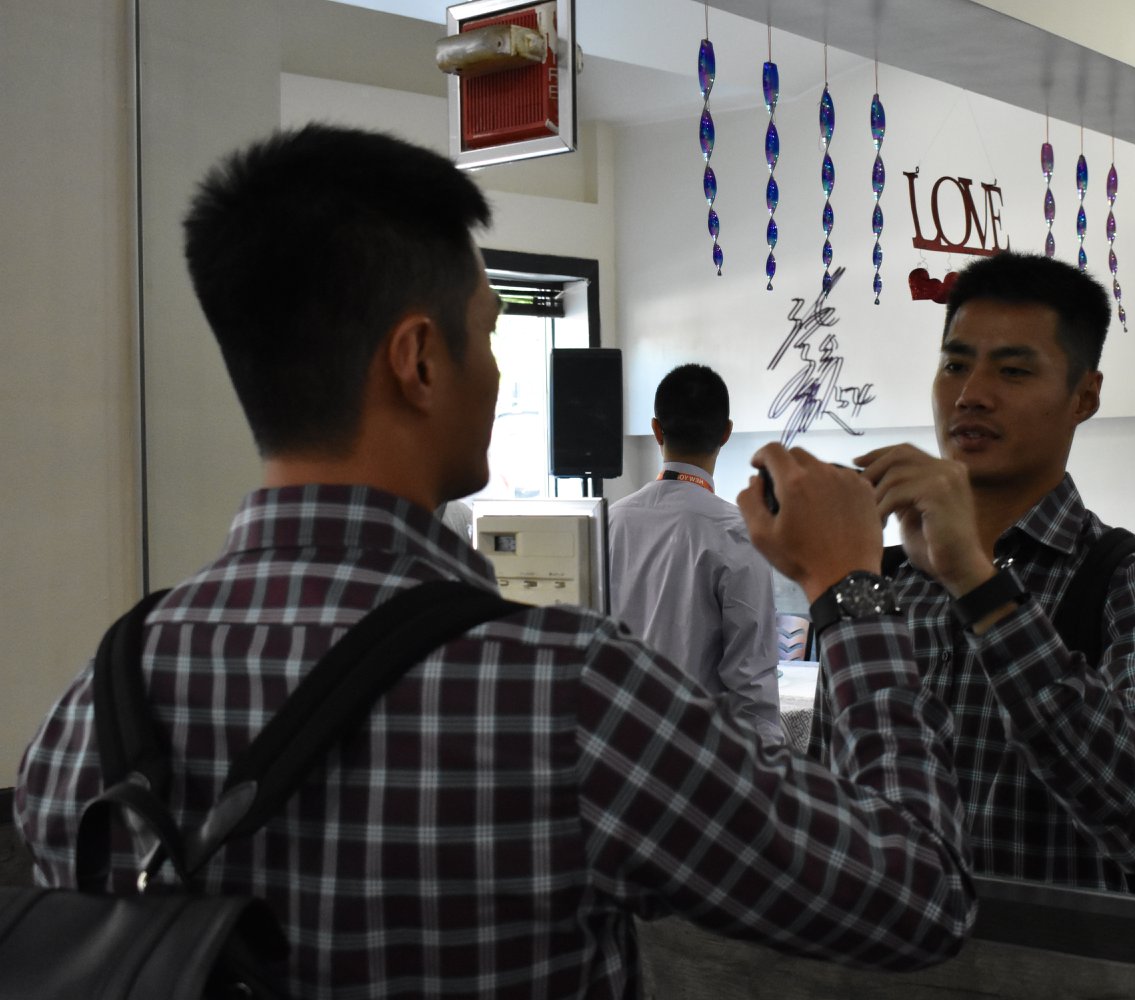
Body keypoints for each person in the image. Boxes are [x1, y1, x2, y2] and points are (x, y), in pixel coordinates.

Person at [14, 125, 976, 998]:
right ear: (419, 361)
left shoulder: (94, 705)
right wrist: (853, 589)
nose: (498, 367)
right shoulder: (567, 696)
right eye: (486, 331)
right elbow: (917, 896)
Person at [806, 251, 1135, 893]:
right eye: (955, 364)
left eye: (1014, 370)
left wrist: (978, 584)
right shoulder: (883, 580)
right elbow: (828, 796)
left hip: (1050, 951)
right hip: (882, 941)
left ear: (1084, 396)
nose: (970, 395)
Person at [608, 364, 783, 746]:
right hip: (697, 757)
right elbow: (751, 685)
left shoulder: (608, 523)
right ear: (726, 433)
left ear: (656, 430)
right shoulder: (738, 532)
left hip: (616, 747)